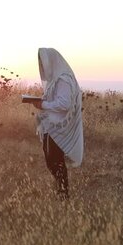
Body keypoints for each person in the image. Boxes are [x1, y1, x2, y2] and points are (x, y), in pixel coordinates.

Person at [31, 48, 84, 199]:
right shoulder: (56, 79)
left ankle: (63, 194)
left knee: (55, 162)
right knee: (52, 161)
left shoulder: (63, 79)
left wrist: (43, 105)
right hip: (52, 127)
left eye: (43, 62)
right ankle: (60, 192)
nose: (42, 65)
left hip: (58, 129)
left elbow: (64, 104)